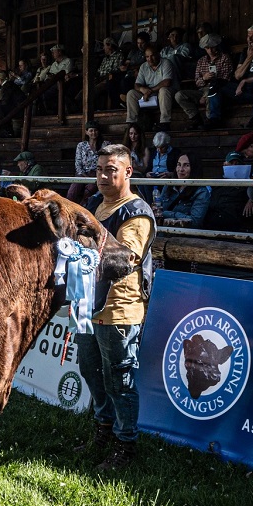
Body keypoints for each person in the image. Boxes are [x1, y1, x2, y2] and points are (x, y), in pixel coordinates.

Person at [77, 144, 155, 471]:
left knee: (119, 381)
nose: (104, 176)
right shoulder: (94, 204)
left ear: (128, 172)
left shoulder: (136, 212)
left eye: (112, 169)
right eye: (99, 170)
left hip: (120, 307)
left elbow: (123, 258)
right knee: (91, 372)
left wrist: (81, 250)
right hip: (87, 304)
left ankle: (125, 445)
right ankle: (103, 429)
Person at [175, 34, 234, 128]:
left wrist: (214, 79)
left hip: (218, 89)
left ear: (216, 46)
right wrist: (204, 78)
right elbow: (197, 82)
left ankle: (210, 120)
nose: (210, 50)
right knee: (179, 95)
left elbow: (226, 79)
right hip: (202, 90)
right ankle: (195, 118)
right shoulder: (201, 61)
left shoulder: (224, 58)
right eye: (207, 48)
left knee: (210, 92)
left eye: (212, 47)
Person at [125, 44, 175, 129]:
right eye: (147, 57)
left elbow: (167, 82)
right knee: (131, 93)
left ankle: (165, 123)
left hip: (163, 96)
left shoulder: (166, 63)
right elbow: (136, 85)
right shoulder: (144, 66)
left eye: (152, 56)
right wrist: (142, 89)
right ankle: (132, 124)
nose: (150, 59)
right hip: (149, 97)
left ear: (158, 54)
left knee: (163, 90)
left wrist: (149, 91)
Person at [157, 153, 210, 228]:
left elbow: (195, 221)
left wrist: (167, 214)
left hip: (186, 235)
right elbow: (158, 209)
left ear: (194, 168)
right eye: (179, 165)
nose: (181, 169)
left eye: (186, 165)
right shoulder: (169, 186)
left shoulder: (201, 192)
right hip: (164, 233)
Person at [68, 121, 109, 202]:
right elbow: (78, 163)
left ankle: (83, 207)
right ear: (87, 132)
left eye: (95, 130)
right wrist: (84, 175)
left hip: (97, 174)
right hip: (82, 174)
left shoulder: (105, 145)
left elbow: (107, 162)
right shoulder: (81, 145)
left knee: (89, 191)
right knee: (72, 192)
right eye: (91, 130)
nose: (93, 133)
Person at [232, 25, 253, 128]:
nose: (249, 39)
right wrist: (249, 57)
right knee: (218, 85)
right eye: (248, 36)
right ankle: (214, 118)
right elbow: (237, 75)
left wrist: (244, 80)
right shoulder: (245, 52)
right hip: (244, 92)